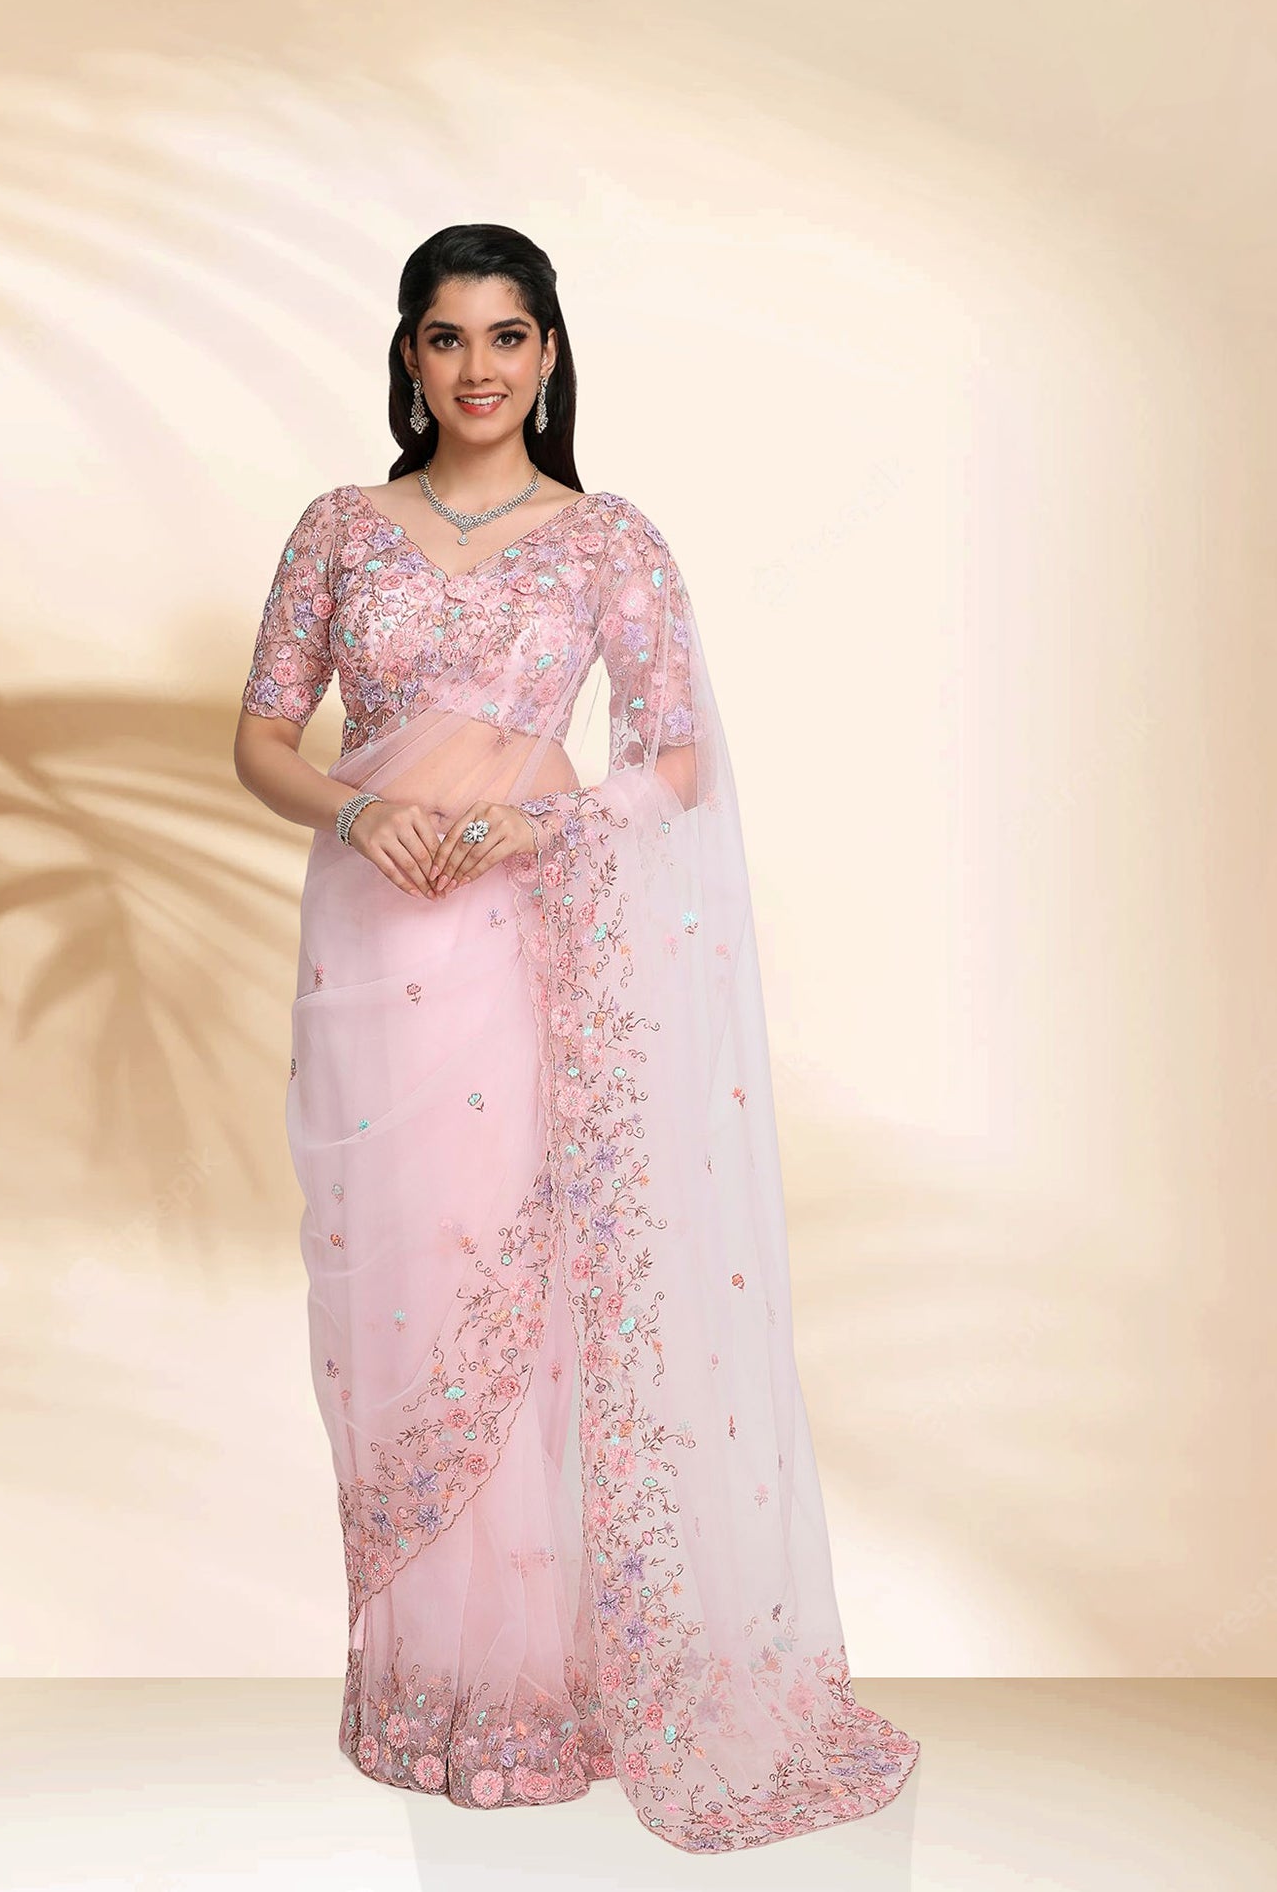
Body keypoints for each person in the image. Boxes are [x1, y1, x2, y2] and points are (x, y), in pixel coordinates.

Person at [232, 223, 920, 1852]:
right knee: (401, 1285)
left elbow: (673, 759)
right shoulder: (338, 528)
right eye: (446, 336)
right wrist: (356, 815)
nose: (476, 368)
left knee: (530, 1292)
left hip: (535, 945)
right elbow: (259, 738)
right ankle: (428, 1682)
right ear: (408, 356)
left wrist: (546, 825)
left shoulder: (608, 540)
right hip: (373, 947)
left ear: (547, 354)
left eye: (506, 335)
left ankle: (541, 1685)